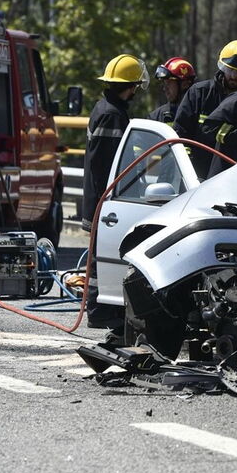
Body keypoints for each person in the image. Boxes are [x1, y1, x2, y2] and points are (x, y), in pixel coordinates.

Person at [81, 53, 148, 332]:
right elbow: (102, 165)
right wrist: (105, 202)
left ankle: (101, 309)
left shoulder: (105, 107)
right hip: (103, 201)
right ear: (129, 86)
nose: (135, 91)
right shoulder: (111, 115)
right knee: (102, 258)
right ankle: (98, 311)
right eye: (134, 86)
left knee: (101, 256)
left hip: (100, 200)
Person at [173, 39, 237, 176]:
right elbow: (180, 133)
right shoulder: (199, 93)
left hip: (233, 177)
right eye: (230, 70)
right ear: (222, 66)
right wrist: (187, 169)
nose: (233, 76)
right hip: (195, 176)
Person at [148, 57, 196, 124]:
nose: (165, 88)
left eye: (169, 83)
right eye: (164, 83)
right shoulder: (156, 118)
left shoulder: (199, 113)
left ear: (185, 84)